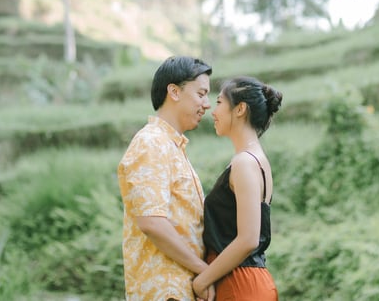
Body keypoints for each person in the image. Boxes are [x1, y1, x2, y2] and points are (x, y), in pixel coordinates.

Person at [117, 55, 216, 301]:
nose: (207, 104)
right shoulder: (151, 143)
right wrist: (203, 270)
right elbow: (152, 222)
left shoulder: (171, 147)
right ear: (174, 91)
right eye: (201, 94)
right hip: (164, 291)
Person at [192, 76, 283, 300]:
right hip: (246, 280)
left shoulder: (245, 162)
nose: (213, 111)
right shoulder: (254, 160)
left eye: (220, 103)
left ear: (240, 108)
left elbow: (248, 239)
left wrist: (202, 280)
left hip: (239, 283)